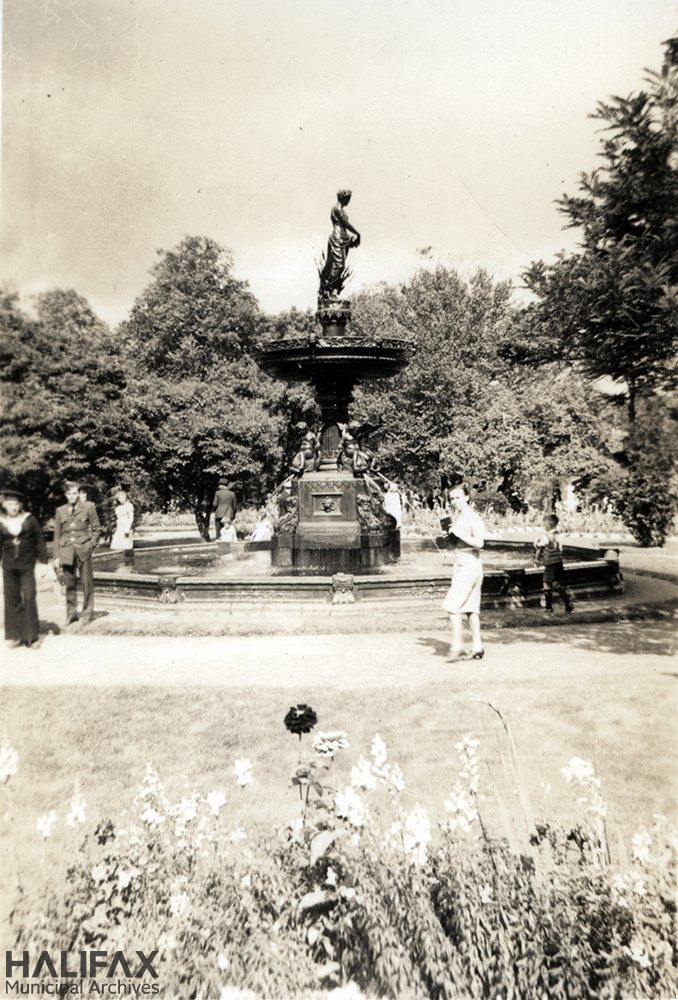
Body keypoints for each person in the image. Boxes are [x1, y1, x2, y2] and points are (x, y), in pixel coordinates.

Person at [0, 487, 49, 648]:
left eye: (16, 504)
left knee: (28, 597)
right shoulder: (1, 521)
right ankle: (17, 636)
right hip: (9, 566)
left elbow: (40, 540)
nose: (13, 507)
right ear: (4, 505)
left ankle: (32, 637)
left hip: (27, 565)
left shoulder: (30, 519)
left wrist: (43, 562)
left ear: (20, 505)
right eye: (9, 504)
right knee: (12, 599)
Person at [441, 484, 485, 661]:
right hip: (463, 561)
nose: (454, 501)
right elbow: (460, 542)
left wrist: (459, 533)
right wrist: (450, 539)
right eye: (452, 498)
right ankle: (477, 646)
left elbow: (480, 542)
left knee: (452, 606)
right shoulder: (458, 517)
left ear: (467, 497)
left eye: (458, 497)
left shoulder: (472, 517)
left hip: (469, 563)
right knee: (470, 608)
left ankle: (457, 646)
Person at [53, 480, 102, 625]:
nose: (72, 496)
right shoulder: (60, 510)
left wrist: (90, 546)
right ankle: (71, 615)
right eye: (69, 494)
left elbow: (97, 529)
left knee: (87, 583)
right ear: (65, 495)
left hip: (83, 550)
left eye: (74, 493)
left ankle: (87, 614)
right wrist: (56, 556)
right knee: (70, 584)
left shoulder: (88, 507)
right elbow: (57, 535)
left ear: (78, 493)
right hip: (66, 549)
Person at [319, 190, 361, 297]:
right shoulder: (336, 209)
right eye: (347, 199)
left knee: (338, 265)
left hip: (343, 239)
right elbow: (345, 224)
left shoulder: (341, 209)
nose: (348, 202)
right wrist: (357, 233)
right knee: (339, 265)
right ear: (343, 198)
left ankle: (333, 291)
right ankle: (329, 290)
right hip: (337, 239)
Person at [534, 514, 574, 613]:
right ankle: (568, 603)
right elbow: (560, 549)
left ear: (548, 524)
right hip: (558, 562)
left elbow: (540, 548)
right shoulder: (558, 535)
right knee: (556, 583)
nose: (544, 526)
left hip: (550, 563)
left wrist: (536, 559)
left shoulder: (546, 536)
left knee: (546, 583)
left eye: (545, 524)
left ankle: (548, 607)